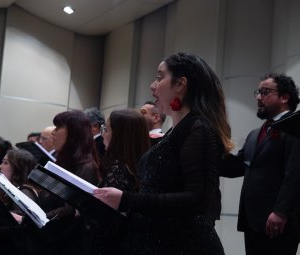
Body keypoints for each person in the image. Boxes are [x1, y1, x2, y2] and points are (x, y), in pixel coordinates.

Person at [94, 52, 233, 254]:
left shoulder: (198, 128)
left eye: (159, 78)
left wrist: (126, 199)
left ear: (180, 84)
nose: (152, 85)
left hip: (186, 245)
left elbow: (197, 199)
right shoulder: (179, 129)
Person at [220, 73, 300, 255]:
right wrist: (209, 153)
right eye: (258, 92)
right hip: (253, 222)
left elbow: (295, 174)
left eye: (265, 92)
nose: (258, 97)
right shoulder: (255, 134)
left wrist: (280, 212)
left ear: (284, 97)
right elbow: (237, 166)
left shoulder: (295, 127)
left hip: (279, 223)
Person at [38, 110, 100, 255]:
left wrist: (36, 219)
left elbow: (69, 210)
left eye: (58, 127)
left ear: (74, 132)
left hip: (63, 244)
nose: (53, 133)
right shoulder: (63, 163)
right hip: (49, 238)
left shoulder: (86, 168)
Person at [95, 108, 150, 254]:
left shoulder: (118, 170)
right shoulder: (143, 167)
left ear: (119, 136)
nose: (103, 135)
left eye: (106, 129)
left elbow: (107, 223)